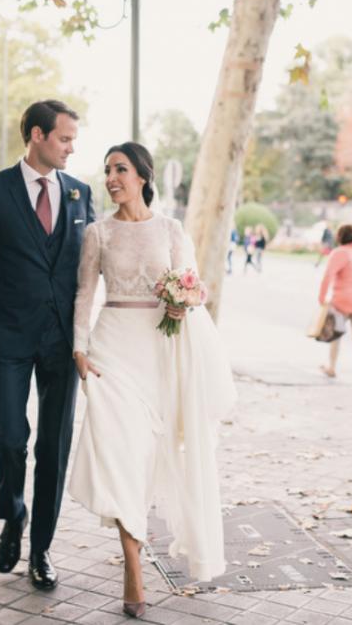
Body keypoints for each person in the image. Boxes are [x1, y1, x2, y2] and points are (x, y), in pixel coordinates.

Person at [70, 142, 235, 619]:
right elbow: (85, 295)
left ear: (142, 175)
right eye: (106, 171)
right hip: (111, 352)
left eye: (120, 169)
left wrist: (184, 298)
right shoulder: (97, 234)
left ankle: (137, 548)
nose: (111, 178)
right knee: (121, 454)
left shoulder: (170, 229)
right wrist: (79, 350)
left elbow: (191, 286)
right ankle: (133, 568)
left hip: (160, 354)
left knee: (146, 458)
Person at [0, 100, 95, 591]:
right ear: (37, 135)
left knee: (53, 447)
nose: (72, 147)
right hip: (8, 336)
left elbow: (95, 266)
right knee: (10, 439)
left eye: (74, 139)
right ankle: (13, 513)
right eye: (65, 138)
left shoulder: (79, 194)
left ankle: (42, 550)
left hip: (62, 344)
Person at [317, 223, 352, 386]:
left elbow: (328, 276)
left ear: (340, 236)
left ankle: (332, 367)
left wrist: (321, 297)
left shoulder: (338, 253)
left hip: (341, 301)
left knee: (335, 335)